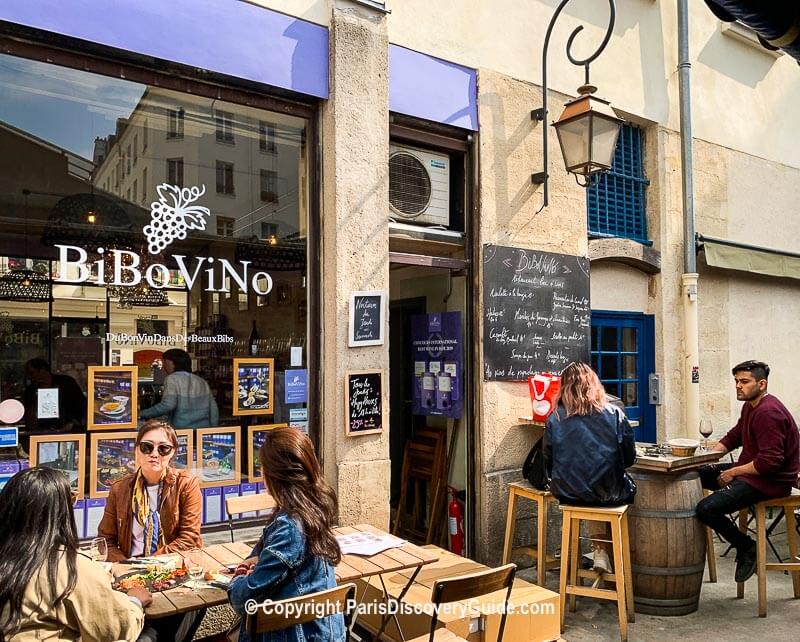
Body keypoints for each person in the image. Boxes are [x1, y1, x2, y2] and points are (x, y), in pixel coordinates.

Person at [0, 466, 150, 641]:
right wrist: (135, 602)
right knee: (151, 633)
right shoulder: (68, 566)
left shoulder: (9, 557)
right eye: (71, 499)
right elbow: (117, 628)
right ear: (60, 513)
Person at [227, 427, 346, 642]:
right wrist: (254, 562)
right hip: (324, 634)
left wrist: (238, 577)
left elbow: (243, 598)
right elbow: (259, 557)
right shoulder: (313, 511)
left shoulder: (290, 527)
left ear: (271, 474)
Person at [98, 419, 204, 642]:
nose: (154, 453)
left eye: (163, 448)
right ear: (137, 450)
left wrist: (149, 567)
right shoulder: (120, 489)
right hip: (130, 576)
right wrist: (128, 571)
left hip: (172, 575)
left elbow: (189, 538)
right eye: (147, 447)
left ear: (172, 453)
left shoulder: (186, 484)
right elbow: (106, 540)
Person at [696, 360, 800, 584]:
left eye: (744, 382)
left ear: (761, 384)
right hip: (752, 474)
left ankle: (747, 547)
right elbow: (735, 436)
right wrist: (707, 458)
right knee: (698, 473)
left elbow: (769, 463)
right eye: (736, 381)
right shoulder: (751, 406)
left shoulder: (768, 412)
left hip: (769, 482)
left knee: (706, 509)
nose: (738, 386)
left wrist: (733, 472)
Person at [543, 362, 636, 575]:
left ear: (564, 387)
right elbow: (629, 458)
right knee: (603, 494)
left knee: (587, 495)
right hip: (609, 493)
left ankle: (589, 555)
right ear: (594, 384)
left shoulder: (555, 417)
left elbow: (548, 459)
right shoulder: (614, 413)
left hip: (568, 493)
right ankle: (606, 554)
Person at [140, 348, 219, 428]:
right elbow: (213, 410)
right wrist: (212, 430)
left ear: (174, 363)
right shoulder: (202, 381)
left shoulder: (172, 379)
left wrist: (141, 413)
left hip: (182, 431)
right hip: (202, 430)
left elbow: (168, 405)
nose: (163, 365)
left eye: (165, 361)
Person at [22, 358, 86, 435]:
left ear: (42, 369)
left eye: (32, 373)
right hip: (42, 431)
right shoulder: (30, 390)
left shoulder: (66, 383)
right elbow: (29, 413)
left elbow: (81, 403)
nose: (30, 377)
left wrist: (73, 422)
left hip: (68, 429)